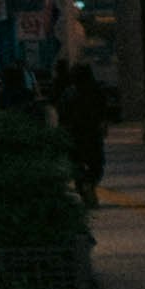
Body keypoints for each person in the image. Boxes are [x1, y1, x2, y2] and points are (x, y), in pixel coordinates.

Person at [53, 60, 111, 203]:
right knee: (96, 164)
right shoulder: (97, 91)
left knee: (76, 163)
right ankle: (89, 184)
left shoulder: (69, 93)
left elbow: (61, 112)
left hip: (74, 134)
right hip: (92, 133)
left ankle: (84, 186)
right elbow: (103, 111)